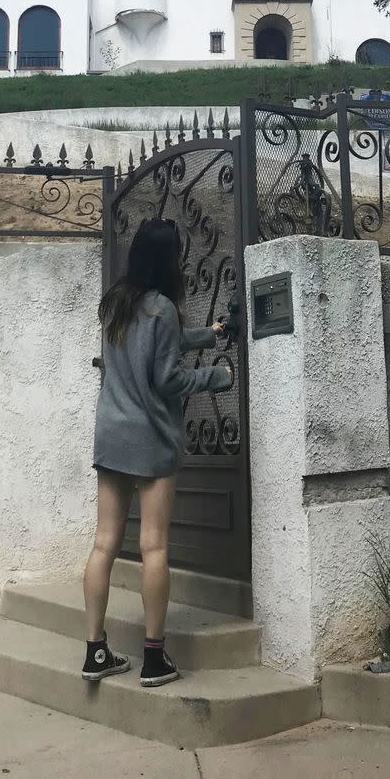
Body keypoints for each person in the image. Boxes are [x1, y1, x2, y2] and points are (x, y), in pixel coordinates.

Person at [82, 217, 234, 688]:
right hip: (149, 438)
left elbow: (151, 348)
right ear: (170, 259)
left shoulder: (116, 306)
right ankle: (153, 658)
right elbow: (166, 377)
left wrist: (209, 333)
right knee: (154, 546)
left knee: (104, 543)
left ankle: (96, 652)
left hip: (111, 435)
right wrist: (217, 376)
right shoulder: (163, 308)